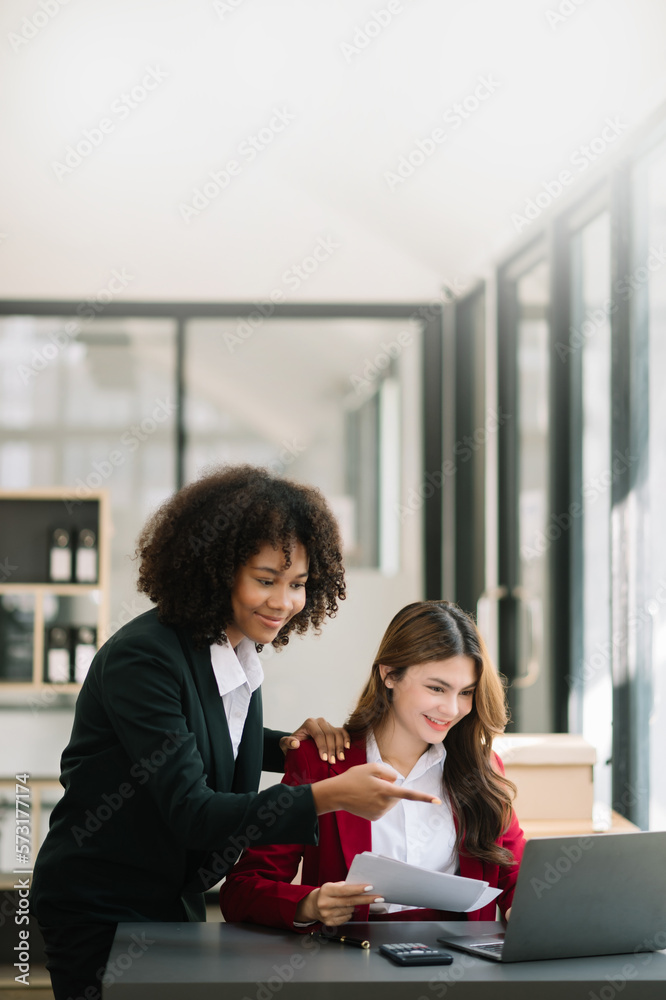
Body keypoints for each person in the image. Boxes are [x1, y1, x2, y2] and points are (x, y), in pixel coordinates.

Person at [31, 466, 439, 1000]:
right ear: (216, 570)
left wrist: (289, 744)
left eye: (297, 585)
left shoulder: (233, 650)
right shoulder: (144, 658)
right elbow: (192, 809)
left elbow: (210, 736)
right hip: (100, 901)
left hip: (173, 892)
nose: (283, 602)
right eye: (265, 580)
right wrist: (326, 796)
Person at [220, 600, 526, 929]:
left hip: (460, 967)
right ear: (389, 674)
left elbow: (517, 878)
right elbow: (241, 890)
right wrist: (310, 904)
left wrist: (523, 910)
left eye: (466, 692)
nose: (451, 709)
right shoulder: (322, 764)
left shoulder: (482, 768)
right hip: (354, 964)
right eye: (436, 688)